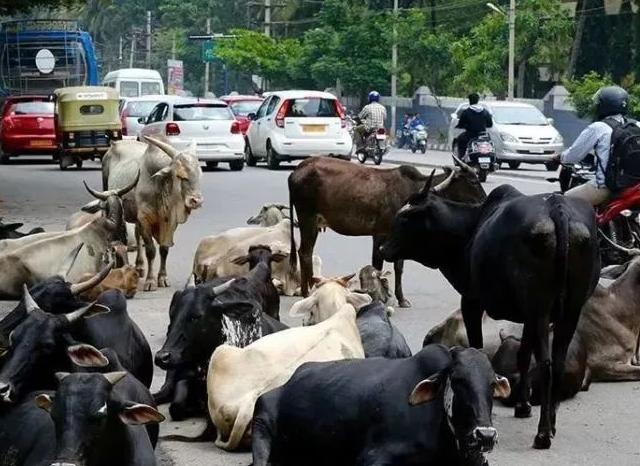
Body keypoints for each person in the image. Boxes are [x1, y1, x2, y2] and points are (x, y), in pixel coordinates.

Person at [557, 85, 632, 206]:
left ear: (603, 106)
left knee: (561, 202)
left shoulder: (598, 127)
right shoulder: (636, 125)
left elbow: (573, 156)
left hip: (606, 188)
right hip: (633, 187)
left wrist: (559, 158)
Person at [455, 93, 493, 158]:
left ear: (469, 101)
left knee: (460, 139)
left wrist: (460, 126)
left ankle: (461, 158)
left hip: (470, 135)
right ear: (477, 100)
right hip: (482, 135)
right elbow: (490, 124)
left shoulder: (466, 112)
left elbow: (461, 124)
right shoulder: (485, 111)